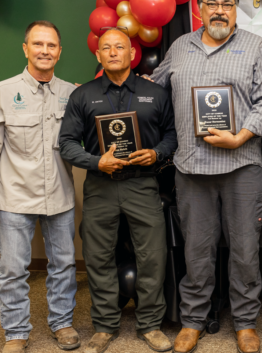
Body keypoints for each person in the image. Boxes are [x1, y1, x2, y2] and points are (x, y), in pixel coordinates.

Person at [148, 0, 262, 353]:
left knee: (244, 251)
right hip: (191, 168)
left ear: (235, 10)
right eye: (212, 4)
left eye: (227, 4)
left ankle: (245, 323)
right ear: (199, 9)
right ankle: (192, 320)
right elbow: (156, 92)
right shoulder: (180, 46)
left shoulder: (255, 47)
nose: (219, 11)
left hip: (241, 167)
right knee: (197, 250)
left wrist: (240, 135)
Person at [59, 28, 177, 353]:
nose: (113, 52)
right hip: (100, 185)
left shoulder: (155, 94)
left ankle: (150, 324)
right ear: (98, 56)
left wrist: (156, 153)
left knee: (152, 256)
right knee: (97, 257)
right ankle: (105, 325)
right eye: (106, 48)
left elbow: (173, 136)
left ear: (131, 54)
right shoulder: (82, 96)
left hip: (143, 184)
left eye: (119, 47)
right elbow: (67, 143)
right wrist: (96, 162)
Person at [0, 21, 80, 353]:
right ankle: (16, 332)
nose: (45, 51)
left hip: (60, 197)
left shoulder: (71, 94)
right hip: (14, 198)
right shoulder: (2, 93)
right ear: (25, 49)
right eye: (38, 44)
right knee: (12, 268)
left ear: (60, 52)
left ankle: (62, 323)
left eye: (51, 46)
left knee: (63, 264)